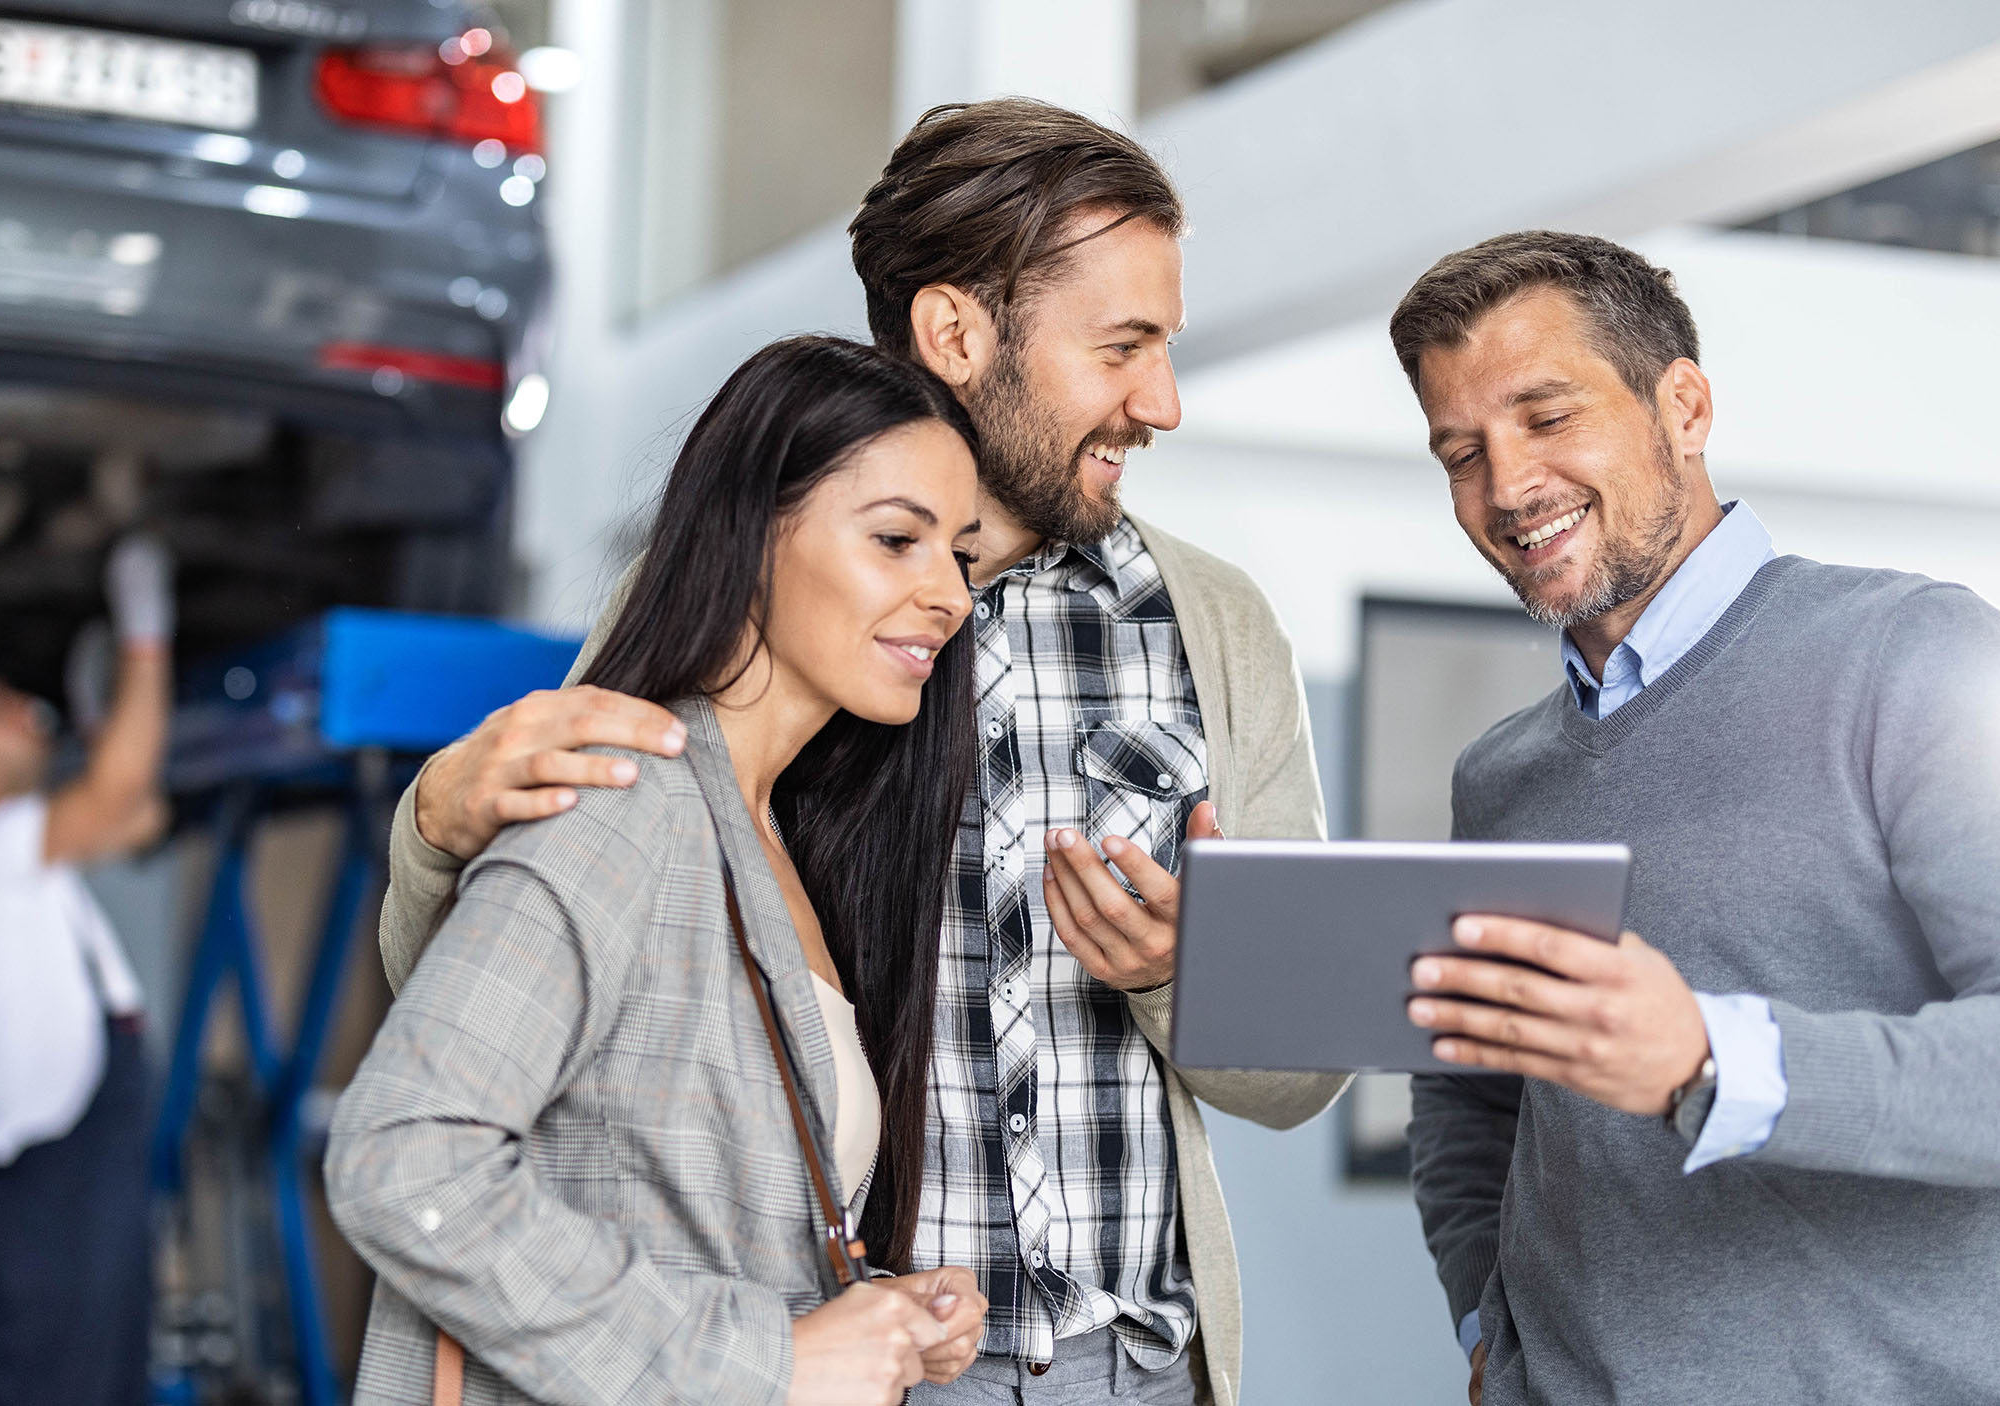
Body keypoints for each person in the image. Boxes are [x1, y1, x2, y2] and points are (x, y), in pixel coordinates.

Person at [377, 100, 1347, 1405]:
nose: (1160, 401)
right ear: (956, 331)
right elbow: (500, 1003)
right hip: (835, 1362)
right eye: (1123, 347)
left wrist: (1189, 970)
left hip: (1134, 1370)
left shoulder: (1211, 628)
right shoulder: (737, 605)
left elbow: (1306, 1071)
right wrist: (437, 824)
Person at [1389, 231, 2000, 1404]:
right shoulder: (1500, 779)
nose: (1506, 487)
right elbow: (1467, 1090)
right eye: (1460, 451)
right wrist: (1486, 1312)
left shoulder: (1914, 657)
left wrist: (1707, 1057)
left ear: (1683, 404)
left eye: (1548, 416)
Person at [328, 336, 991, 1406]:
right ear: (751, 534)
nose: (949, 595)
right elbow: (402, 1158)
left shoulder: (774, 837)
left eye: (959, 553)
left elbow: (673, 1222)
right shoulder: (621, 799)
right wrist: (774, 1358)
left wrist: (867, 1311)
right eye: (897, 539)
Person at [0, 534, 174, 1406]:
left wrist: (105, 745)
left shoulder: (8, 845)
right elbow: (126, 791)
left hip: (75, 1167)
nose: (21, 706)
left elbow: (139, 818)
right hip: (57, 1179)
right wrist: (144, 627)